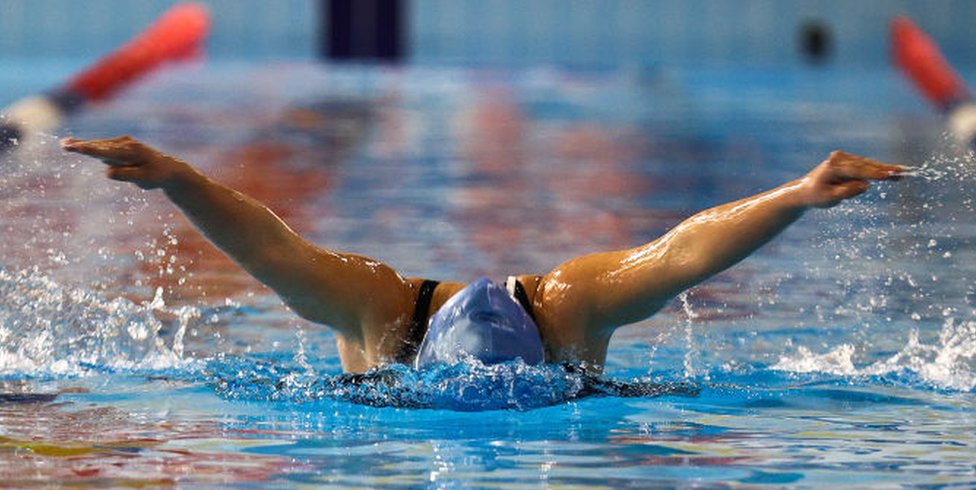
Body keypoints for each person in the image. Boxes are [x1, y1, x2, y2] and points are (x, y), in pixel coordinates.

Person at [62, 136, 904, 375]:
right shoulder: (381, 308)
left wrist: (796, 194)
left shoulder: (566, 303)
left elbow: (682, 252)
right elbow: (269, 244)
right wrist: (178, 178)